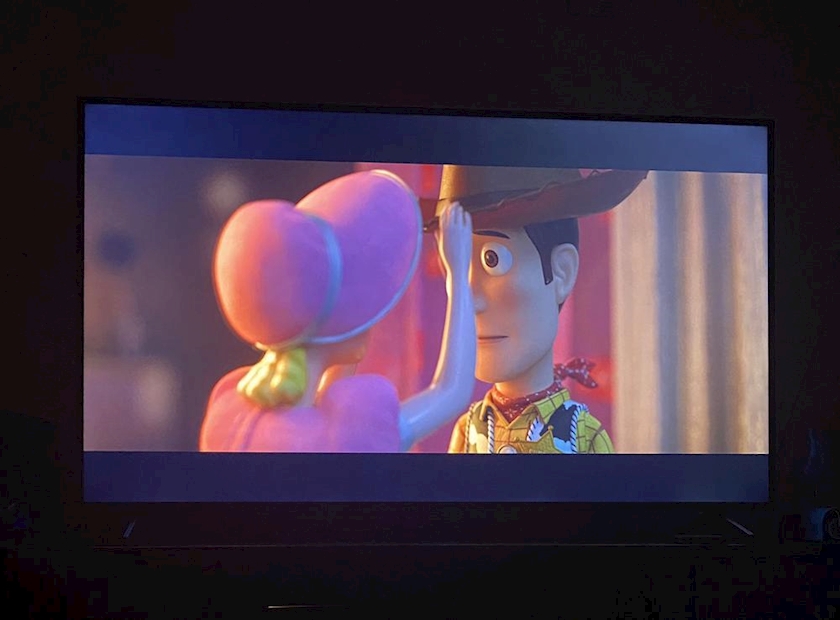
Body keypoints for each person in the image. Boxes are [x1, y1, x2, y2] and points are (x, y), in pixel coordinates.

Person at [200, 169, 476, 452]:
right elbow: (451, 392)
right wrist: (458, 273)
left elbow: (331, 391)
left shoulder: (230, 417)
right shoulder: (348, 437)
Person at [420, 165, 648, 454]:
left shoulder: (582, 434)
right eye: (455, 265)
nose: (469, 302)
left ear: (562, 272)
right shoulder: (469, 430)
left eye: (492, 260)